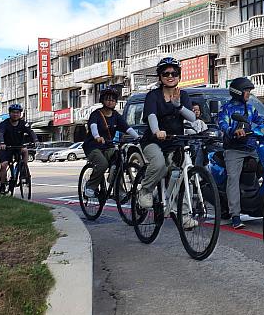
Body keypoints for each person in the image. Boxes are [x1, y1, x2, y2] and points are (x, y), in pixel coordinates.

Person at [136, 57, 198, 230]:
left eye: (174, 73)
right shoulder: (153, 96)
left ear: (179, 75)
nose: (170, 76)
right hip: (153, 141)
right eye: (166, 73)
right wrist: (157, 131)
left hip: (175, 141)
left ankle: (184, 215)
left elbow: (192, 118)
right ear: (160, 76)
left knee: (185, 175)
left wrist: (179, 107)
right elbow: (151, 116)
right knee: (159, 165)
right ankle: (146, 190)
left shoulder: (183, 95)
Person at [217, 77, 264, 229]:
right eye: (247, 91)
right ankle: (235, 214)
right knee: (233, 179)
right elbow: (222, 123)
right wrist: (233, 131)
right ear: (238, 92)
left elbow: (260, 120)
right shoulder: (227, 108)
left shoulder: (251, 108)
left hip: (252, 148)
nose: (248, 94)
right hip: (234, 150)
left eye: (250, 91)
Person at [82, 87, 138, 199]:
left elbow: (126, 128)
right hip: (93, 146)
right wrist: (97, 137)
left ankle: (119, 191)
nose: (110, 102)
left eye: (113, 100)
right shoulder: (96, 114)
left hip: (108, 146)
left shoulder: (116, 115)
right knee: (102, 164)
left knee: (119, 162)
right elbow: (93, 126)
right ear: (102, 100)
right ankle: (90, 186)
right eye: (107, 99)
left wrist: (137, 137)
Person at [0, 103, 38, 195]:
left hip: (18, 146)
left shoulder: (23, 123)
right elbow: (0, 134)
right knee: (4, 165)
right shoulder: (4, 124)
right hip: (6, 147)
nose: (15, 114)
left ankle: (24, 169)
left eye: (18, 113)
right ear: (10, 113)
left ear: (20, 114)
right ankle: (2, 185)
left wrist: (35, 140)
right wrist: (2, 143)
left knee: (25, 150)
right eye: (13, 112)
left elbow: (31, 132)